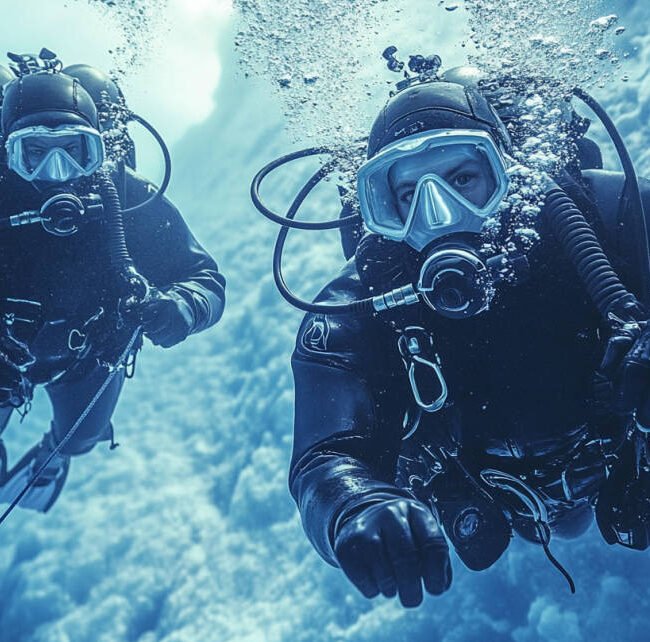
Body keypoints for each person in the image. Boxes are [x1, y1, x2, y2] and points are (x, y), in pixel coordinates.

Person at [265, 63, 650, 607]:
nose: (439, 214)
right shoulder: (358, 307)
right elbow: (326, 455)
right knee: (560, 528)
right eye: (409, 196)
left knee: (571, 525)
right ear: (381, 209)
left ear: (507, 172)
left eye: (463, 179)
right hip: (487, 486)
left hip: (618, 449)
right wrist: (355, 504)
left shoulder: (611, 217)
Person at [0, 51, 225, 514]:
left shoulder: (124, 197)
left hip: (92, 355)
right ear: (7, 154)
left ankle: (55, 453)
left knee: (80, 439)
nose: (57, 173)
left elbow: (204, 277)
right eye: (34, 154)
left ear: (99, 148)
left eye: (75, 150)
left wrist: (180, 308)